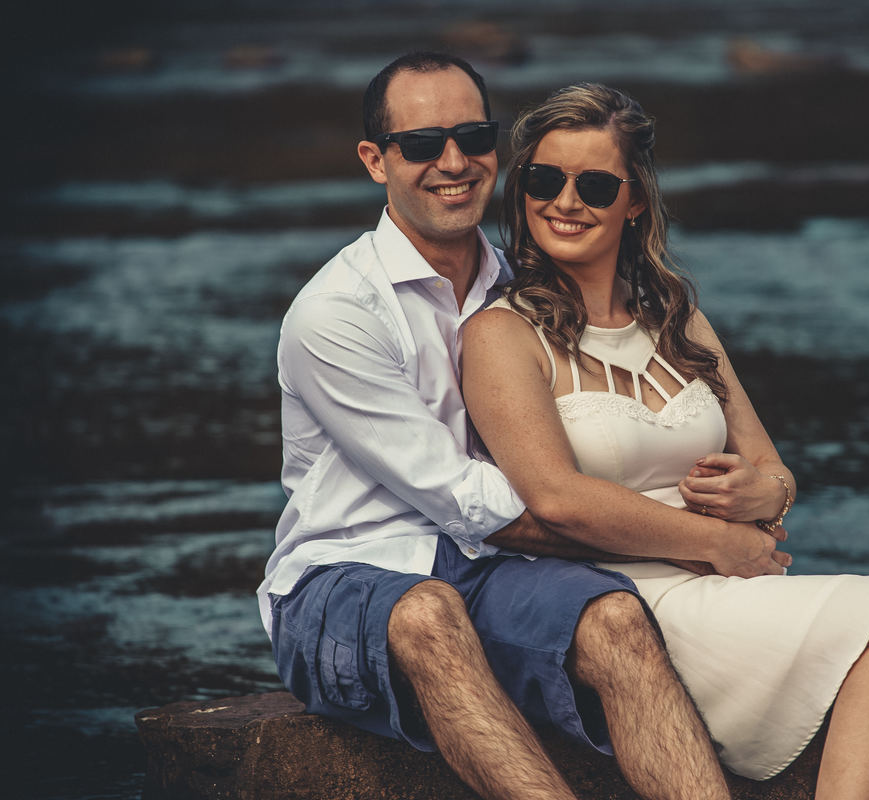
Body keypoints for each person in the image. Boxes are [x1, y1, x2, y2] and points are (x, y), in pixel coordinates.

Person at [461, 82, 869, 798]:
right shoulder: (503, 334)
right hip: (631, 600)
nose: (565, 202)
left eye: (594, 185)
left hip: (729, 584)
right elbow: (557, 499)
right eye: (544, 180)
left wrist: (765, 495)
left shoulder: (674, 317)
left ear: (635, 201)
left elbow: (772, 469)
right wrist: (719, 542)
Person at [257, 54, 766, 800]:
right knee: (427, 614)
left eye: (472, 136)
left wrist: (757, 492)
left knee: (616, 617)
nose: (453, 162)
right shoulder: (337, 313)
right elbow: (468, 500)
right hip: (345, 573)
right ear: (375, 160)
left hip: (491, 568)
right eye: (422, 144)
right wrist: (700, 538)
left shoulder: (522, 288)